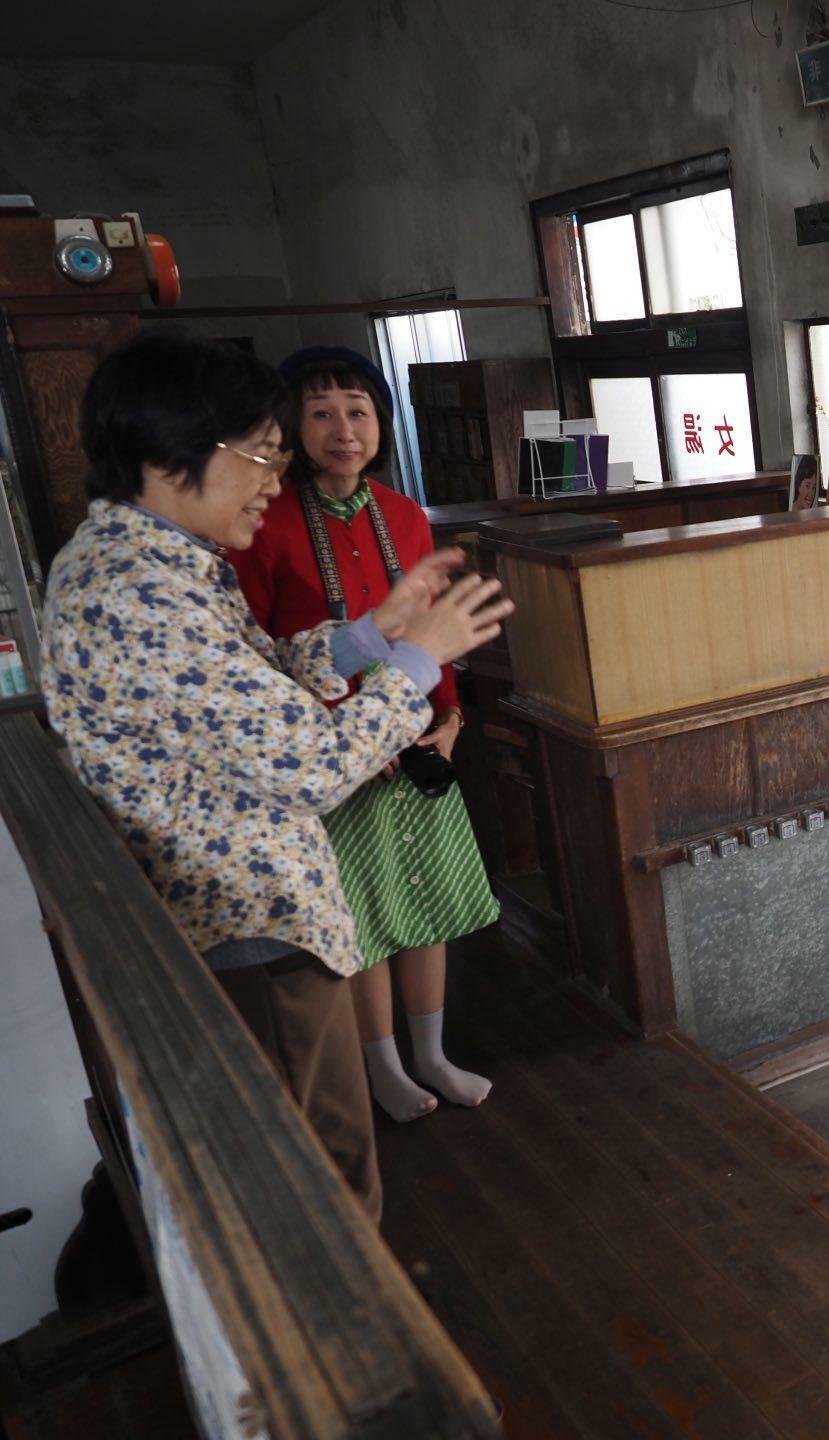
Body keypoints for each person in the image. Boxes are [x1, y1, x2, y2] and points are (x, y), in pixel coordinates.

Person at [40, 330, 511, 1220]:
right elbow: (311, 764)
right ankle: (349, 1348)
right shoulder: (136, 590)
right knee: (316, 1187)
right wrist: (417, 660)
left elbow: (261, 670)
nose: (271, 475)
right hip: (247, 927)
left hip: (257, 910)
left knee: (320, 1163)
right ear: (168, 453)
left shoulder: (159, 564)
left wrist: (373, 634)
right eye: (260, 451)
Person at [229, 346, 498, 1124]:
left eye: (358, 410)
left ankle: (434, 1057)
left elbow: (434, 633)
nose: (343, 428)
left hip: (415, 748)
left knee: (427, 908)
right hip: (334, 759)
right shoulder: (264, 524)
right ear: (291, 426)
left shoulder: (407, 516)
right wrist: (342, 736)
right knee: (365, 920)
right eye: (321, 412)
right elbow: (266, 662)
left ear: (380, 423)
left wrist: (449, 722)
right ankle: (382, 1068)